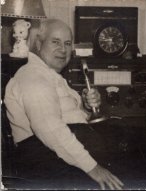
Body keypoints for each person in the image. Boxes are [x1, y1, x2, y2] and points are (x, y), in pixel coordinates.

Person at [4, 19, 123, 190]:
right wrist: (93, 169)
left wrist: (87, 109)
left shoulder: (49, 74)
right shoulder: (33, 77)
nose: (63, 49)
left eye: (67, 44)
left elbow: (67, 117)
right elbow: (51, 130)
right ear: (39, 43)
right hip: (51, 165)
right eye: (55, 42)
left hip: (66, 160)